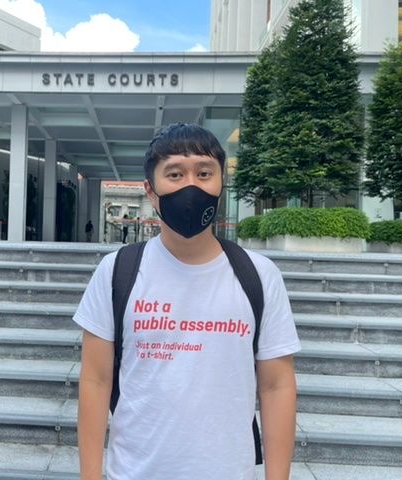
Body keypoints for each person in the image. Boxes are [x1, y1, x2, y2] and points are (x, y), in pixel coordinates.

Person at [74, 123, 301, 480]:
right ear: (151, 191)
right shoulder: (118, 271)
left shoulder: (258, 275)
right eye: (175, 174)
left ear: (221, 183)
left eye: (204, 173)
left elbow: (277, 386)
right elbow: (96, 380)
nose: (191, 186)